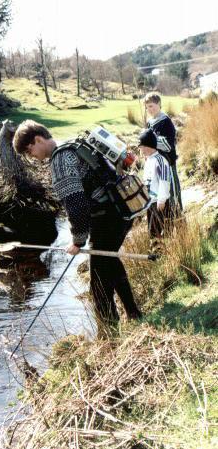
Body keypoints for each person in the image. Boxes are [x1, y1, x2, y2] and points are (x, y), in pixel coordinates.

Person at [13, 120, 142, 324]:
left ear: (38, 139)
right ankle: (134, 314)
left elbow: (76, 205)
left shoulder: (60, 161)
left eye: (30, 151)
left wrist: (77, 241)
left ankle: (109, 332)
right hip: (121, 209)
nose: (32, 157)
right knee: (109, 261)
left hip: (106, 218)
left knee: (99, 283)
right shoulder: (73, 144)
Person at [144, 92, 182, 210]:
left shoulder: (166, 121)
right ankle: (166, 225)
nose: (149, 109)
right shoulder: (149, 122)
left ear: (159, 104)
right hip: (155, 166)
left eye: (151, 106)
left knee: (172, 195)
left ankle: (180, 223)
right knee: (159, 197)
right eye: (146, 107)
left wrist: (150, 142)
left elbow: (168, 145)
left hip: (168, 163)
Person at [138, 129, 173, 250]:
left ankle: (161, 253)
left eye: (141, 147)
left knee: (160, 230)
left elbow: (164, 181)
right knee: (152, 230)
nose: (140, 150)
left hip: (159, 203)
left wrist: (162, 200)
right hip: (150, 202)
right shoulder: (149, 160)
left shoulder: (160, 161)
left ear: (148, 146)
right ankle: (156, 252)